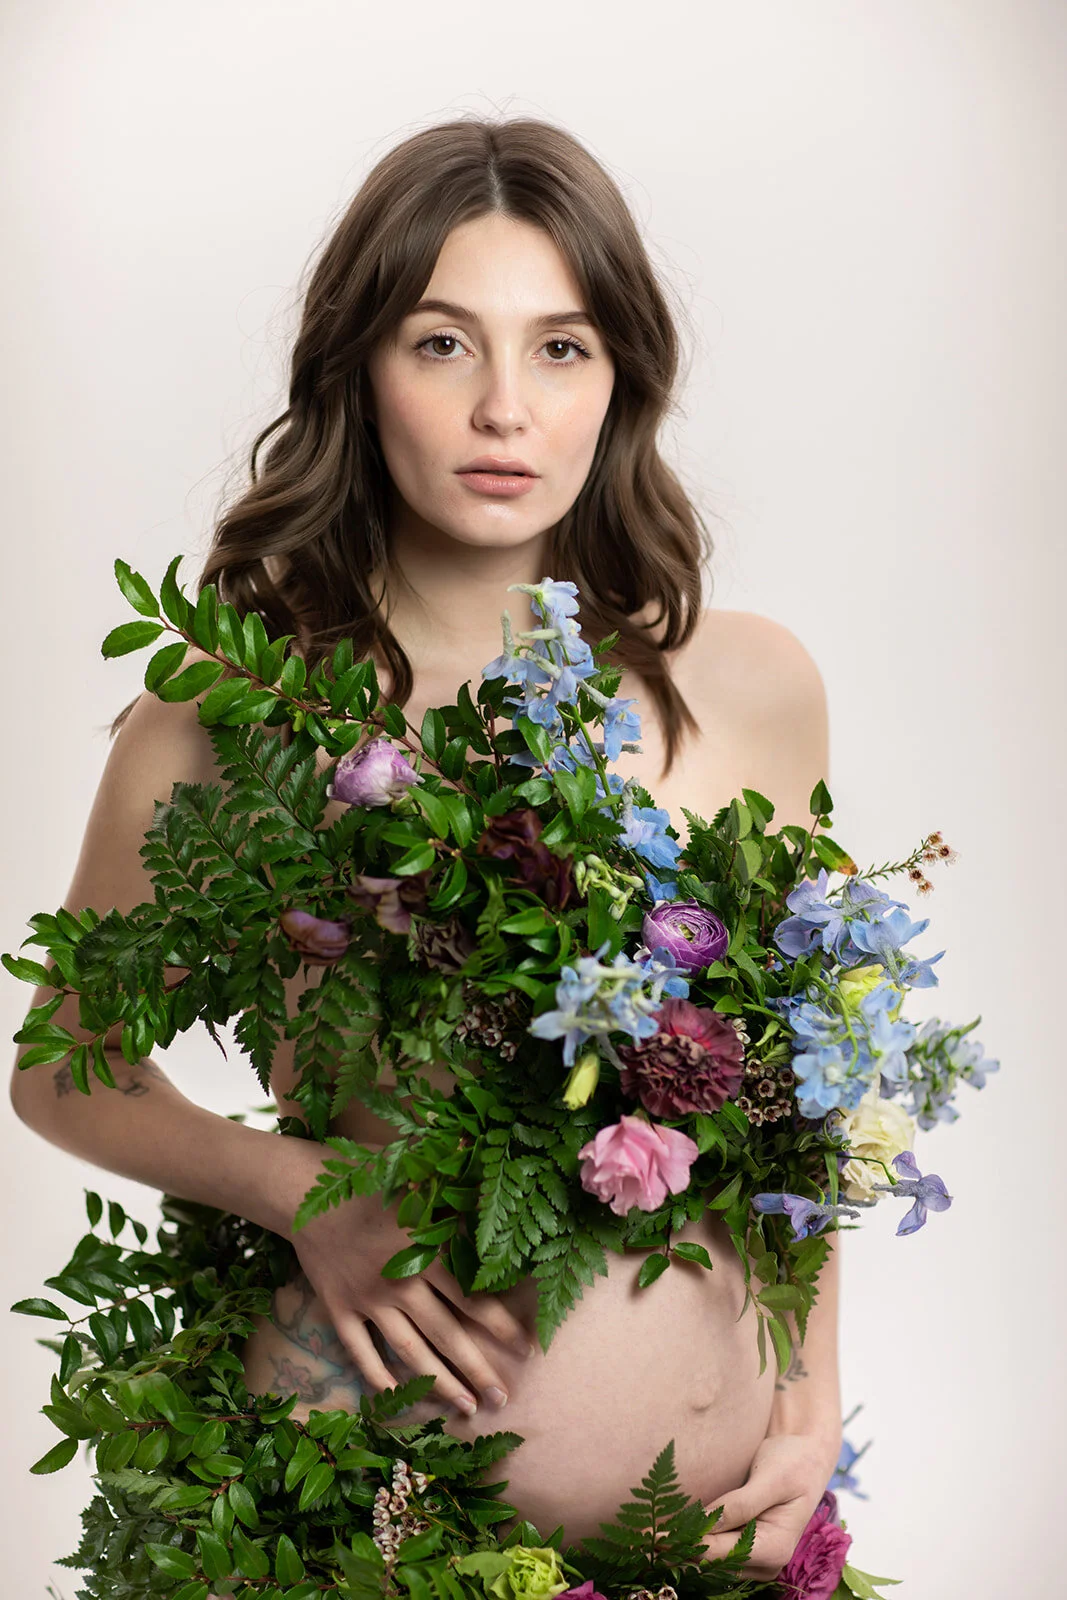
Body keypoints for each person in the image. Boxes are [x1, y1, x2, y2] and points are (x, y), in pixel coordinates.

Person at [10, 116, 842, 1578]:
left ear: (621, 383)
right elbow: (62, 1062)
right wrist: (301, 1203)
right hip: (358, 1533)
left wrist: (809, 1403)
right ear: (358, 371)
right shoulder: (228, 717)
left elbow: (805, 1095)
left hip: (710, 1544)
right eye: (443, 343)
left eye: (561, 348)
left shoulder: (753, 686)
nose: (503, 409)